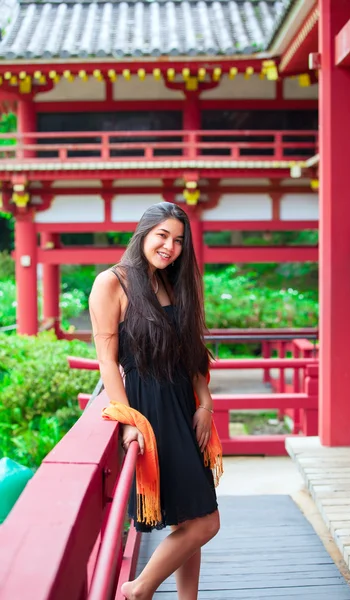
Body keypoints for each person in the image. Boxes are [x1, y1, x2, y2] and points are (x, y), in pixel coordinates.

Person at [89, 202, 222, 600]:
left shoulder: (172, 282)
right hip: (152, 409)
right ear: (143, 233)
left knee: (193, 517)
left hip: (184, 406)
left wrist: (204, 404)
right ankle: (138, 589)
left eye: (178, 240)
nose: (170, 246)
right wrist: (129, 419)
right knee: (207, 522)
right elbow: (107, 361)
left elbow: (192, 352)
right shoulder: (111, 283)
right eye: (162, 235)